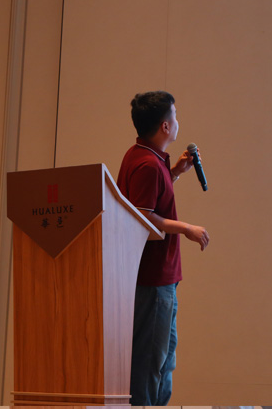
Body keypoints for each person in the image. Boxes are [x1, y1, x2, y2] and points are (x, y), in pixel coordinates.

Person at [117, 90, 210, 406]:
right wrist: (186, 228)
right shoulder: (147, 164)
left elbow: (147, 201)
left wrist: (175, 173)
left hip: (161, 278)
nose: (177, 120)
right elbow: (143, 217)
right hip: (153, 280)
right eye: (175, 115)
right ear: (165, 126)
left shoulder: (144, 157)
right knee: (150, 363)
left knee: (163, 359)